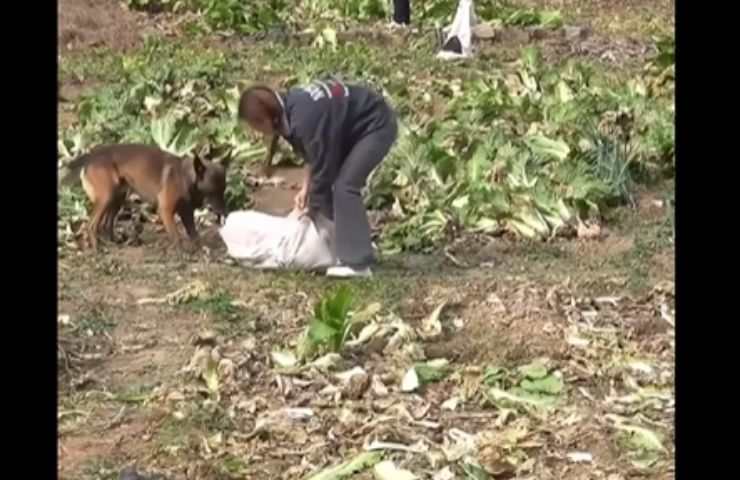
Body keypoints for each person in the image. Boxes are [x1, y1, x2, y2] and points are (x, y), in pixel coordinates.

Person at [238, 79, 398, 278]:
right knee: (327, 191)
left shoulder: (304, 118)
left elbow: (324, 172)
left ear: (263, 120)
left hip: (375, 125)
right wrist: (306, 189)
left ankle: (357, 264)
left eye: (255, 126)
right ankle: (350, 246)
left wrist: (311, 209)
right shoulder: (291, 108)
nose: (257, 132)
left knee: (344, 186)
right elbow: (312, 155)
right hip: (352, 128)